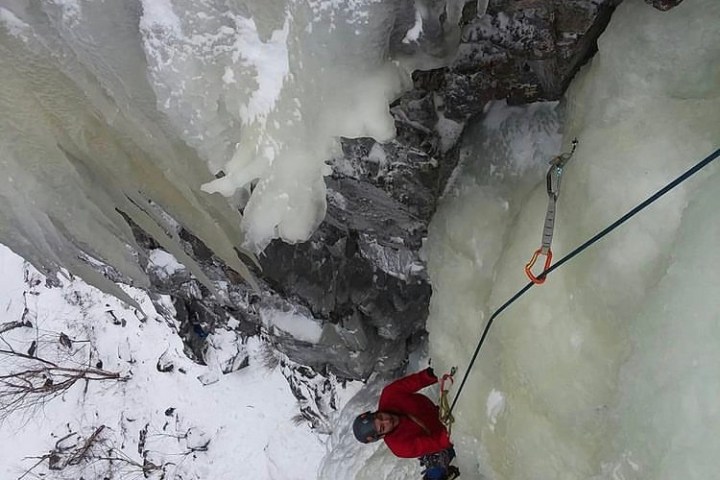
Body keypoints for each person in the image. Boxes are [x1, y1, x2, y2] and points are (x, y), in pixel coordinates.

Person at [352, 367, 460, 480]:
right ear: (382, 436)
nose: (387, 420)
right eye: (383, 427)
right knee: (437, 470)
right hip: (437, 439)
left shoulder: (390, 394)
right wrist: (458, 432)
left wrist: (437, 370)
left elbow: (419, 379)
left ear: (375, 412)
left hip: (439, 414)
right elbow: (438, 442)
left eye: (380, 416)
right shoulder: (400, 446)